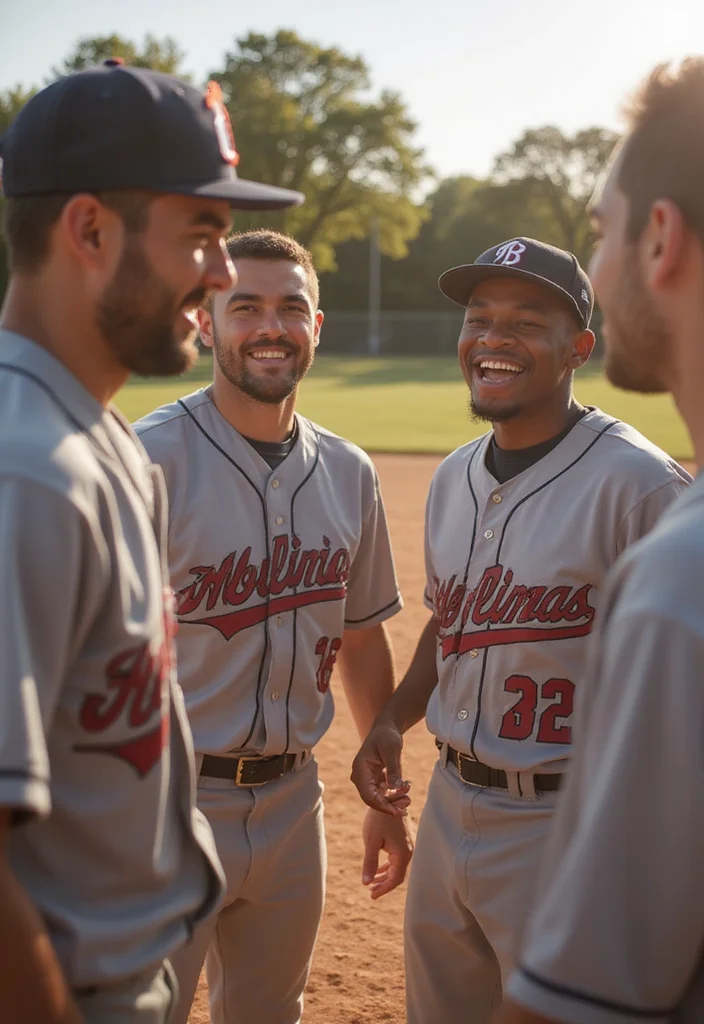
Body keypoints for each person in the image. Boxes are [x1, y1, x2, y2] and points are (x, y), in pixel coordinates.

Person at [0, 60, 303, 1024]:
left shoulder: (96, 439)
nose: (220, 276)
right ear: (90, 230)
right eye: (202, 236)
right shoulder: (25, 467)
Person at [351, 236, 691, 1024]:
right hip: (446, 807)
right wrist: (393, 720)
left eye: (526, 320)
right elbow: (456, 618)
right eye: (479, 318)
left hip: (567, 825)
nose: (493, 337)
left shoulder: (639, 486)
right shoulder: (453, 476)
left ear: (578, 348)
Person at [135, 229, 413, 1024]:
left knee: (270, 1012)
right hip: (164, 804)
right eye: (244, 305)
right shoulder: (145, 460)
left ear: (316, 328)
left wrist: (386, 793)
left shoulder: (349, 472)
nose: (270, 326)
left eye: (291, 307)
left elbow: (360, 635)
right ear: (204, 322)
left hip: (295, 803)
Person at [497, 57, 704, 1024]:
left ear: (659, 236)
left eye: (599, 233)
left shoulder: (679, 576)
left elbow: (581, 1001)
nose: (601, 266)